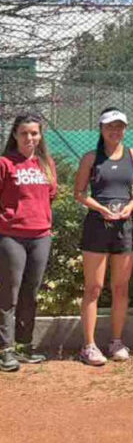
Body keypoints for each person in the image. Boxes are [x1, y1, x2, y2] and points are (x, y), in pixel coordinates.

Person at [73, 108, 133, 366]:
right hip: (96, 226)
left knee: (120, 287)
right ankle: (89, 346)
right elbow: (79, 192)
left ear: (125, 128)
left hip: (125, 227)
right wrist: (101, 209)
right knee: (93, 287)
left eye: (119, 126)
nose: (115, 131)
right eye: (109, 126)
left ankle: (116, 342)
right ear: (101, 129)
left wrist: (130, 207)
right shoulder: (90, 158)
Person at [0, 114, 57, 372]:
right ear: (15, 135)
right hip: (11, 236)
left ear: (40, 135)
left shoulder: (46, 164)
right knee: (9, 294)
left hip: (40, 236)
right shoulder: (5, 163)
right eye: (24, 133)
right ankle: (5, 350)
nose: (29, 138)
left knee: (30, 294)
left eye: (34, 133)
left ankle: (24, 345)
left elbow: (50, 195)